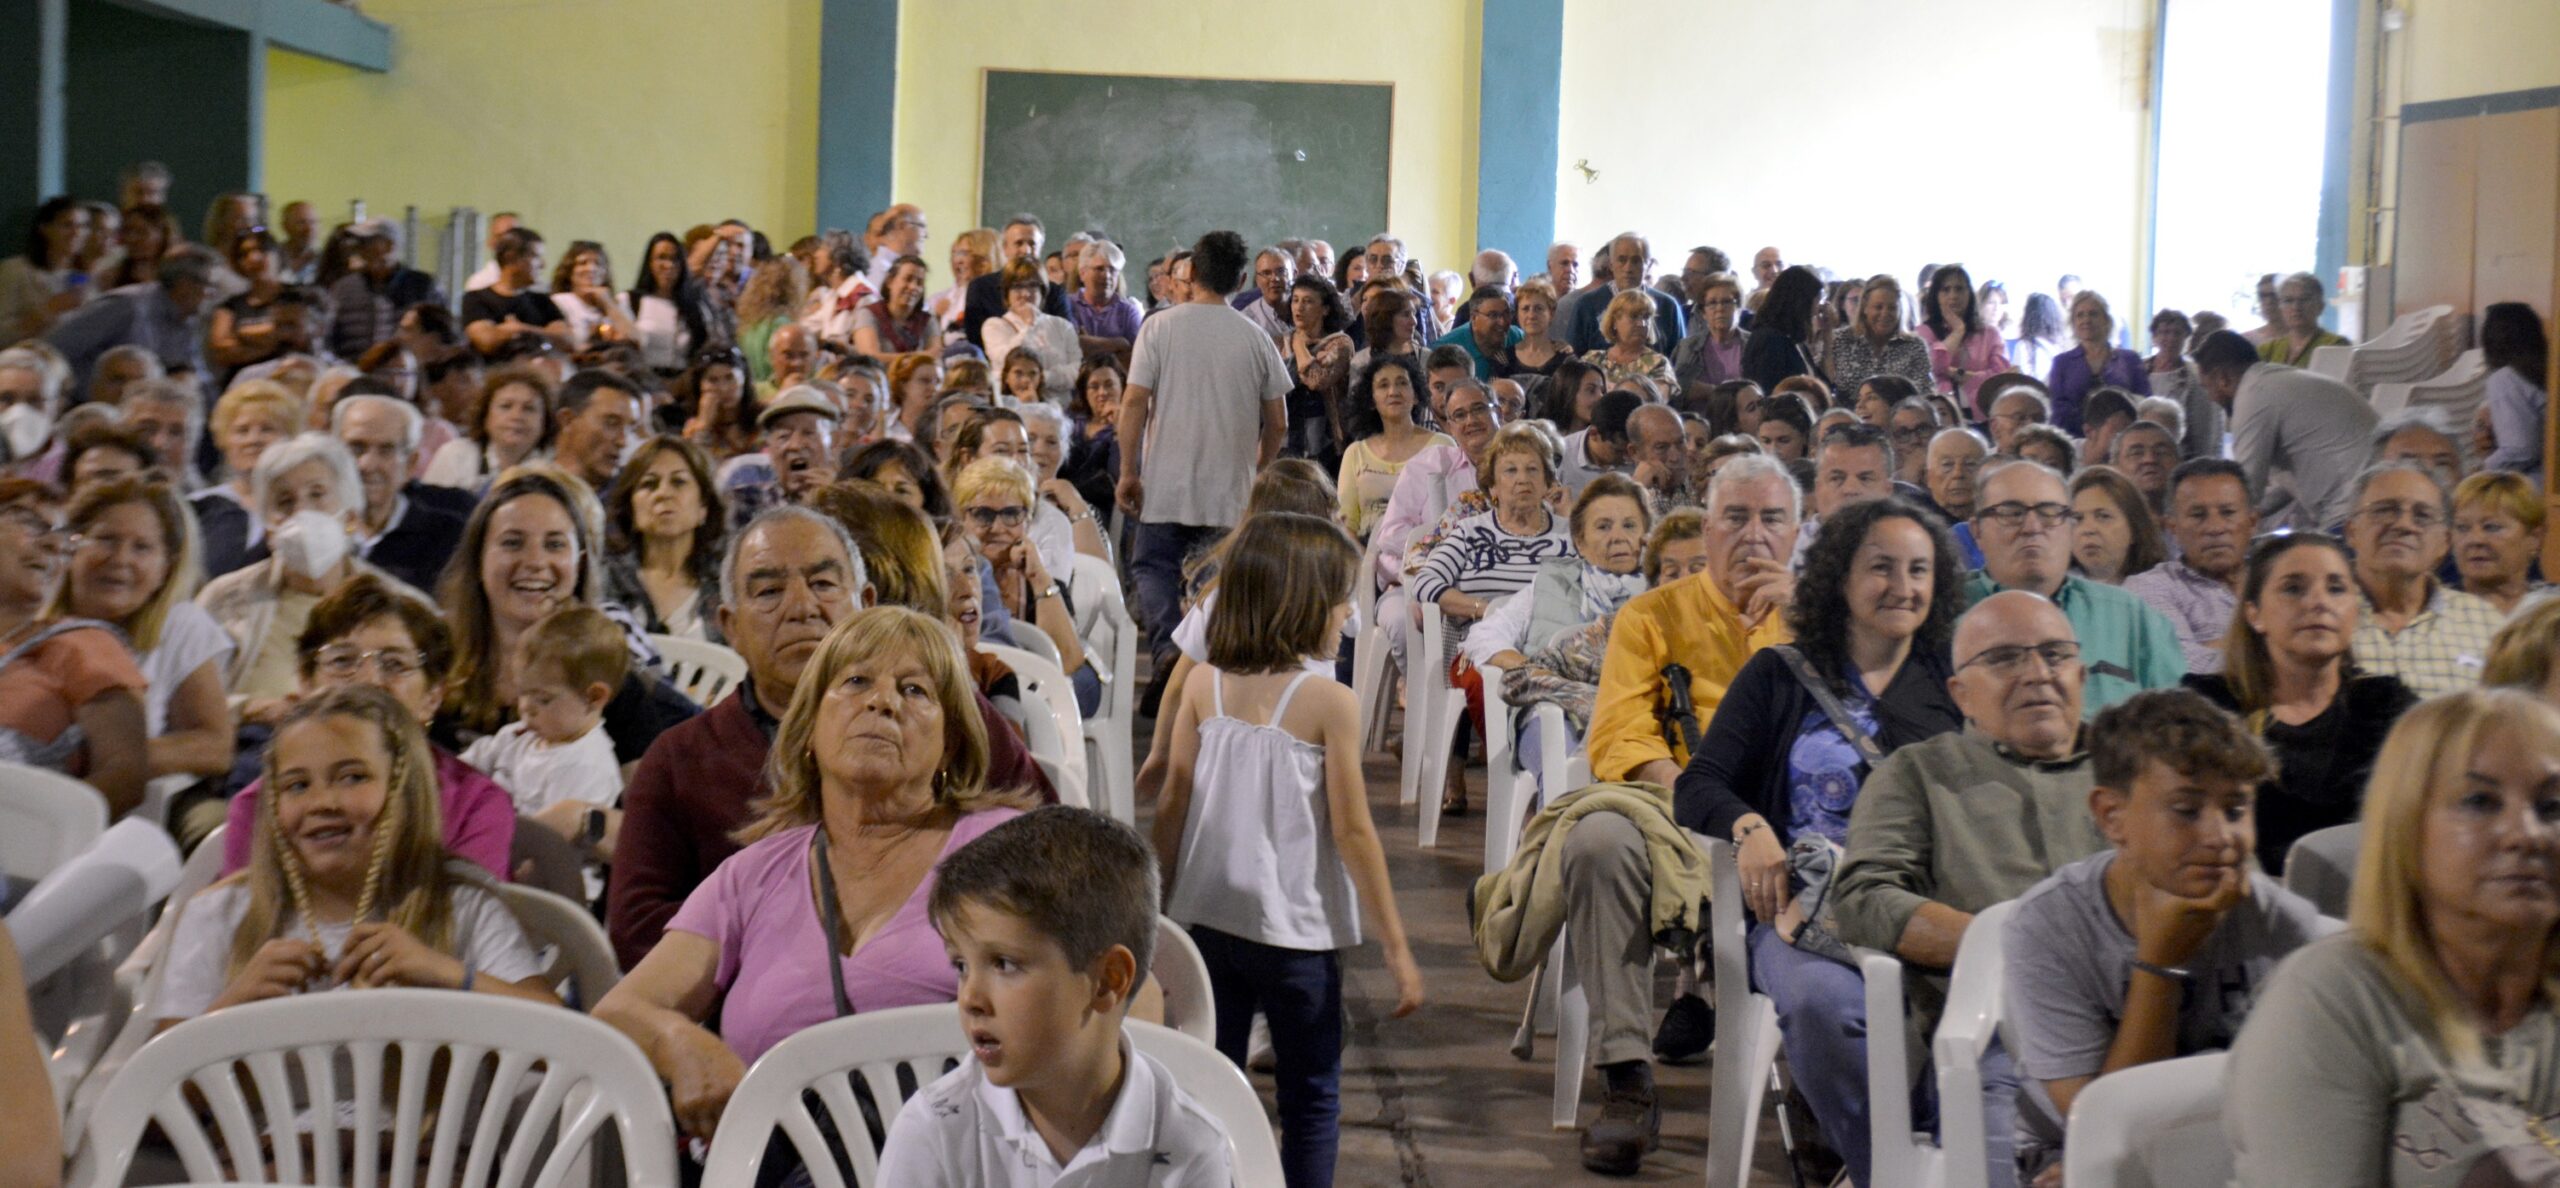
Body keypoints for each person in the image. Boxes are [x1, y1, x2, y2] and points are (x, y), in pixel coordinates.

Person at [596, 607, 1037, 1141]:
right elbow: (617, 1013)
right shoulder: (752, 875)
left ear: (950, 745)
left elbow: (1130, 990)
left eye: (915, 690)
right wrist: (677, 1040)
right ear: (807, 731)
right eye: (855, 681)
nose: (882, 701)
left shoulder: (1010, 851)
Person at [1673, 497, 1966, 1187]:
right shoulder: (1780, 675)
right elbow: (1701, 785)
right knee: (1819, 1007)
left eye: (1920, 569)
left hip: (1927, 909)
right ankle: (1884, 1170)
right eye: (1882, 568)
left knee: (1987, 1017)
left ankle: (1929, 1160)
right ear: (1838, 577)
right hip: (1807, 915)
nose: (1904, 586)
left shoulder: (1955, 685)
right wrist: (1750, 827)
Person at [1151, 513, 1423, 1187]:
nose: (1349, 613)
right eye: (1341, 598)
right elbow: (1353, 832)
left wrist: (1153, 921)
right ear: (1303, 605)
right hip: (1299, 939)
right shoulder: (1329, 701)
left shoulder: (1201, 683)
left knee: (1213, 1091)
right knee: (1311, 1098)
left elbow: (1171, 809)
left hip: (1208, 927)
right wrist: (1393, 943)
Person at [2225, 688, 2560, 1187]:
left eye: (2551, 805)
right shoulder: (2330, 999)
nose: (2526, 833)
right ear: (2406, 826)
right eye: (2479, 802)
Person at [1832, 591, 2111, 1188]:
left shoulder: (2134, 768)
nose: (2038, 674)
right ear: (1961, 693)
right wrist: (2011, 946)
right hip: (1996, 1041)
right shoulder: (1917, 774)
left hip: (2142, 1029)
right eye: (2007, 659)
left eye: (2055, 655)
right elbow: (1864, 899)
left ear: (2081, 674)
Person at [2001, 688, 2325, 1177]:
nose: (2220, 837)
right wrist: (2160, 962)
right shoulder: (2046, 929)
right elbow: (2104, 1125)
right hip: (2075, 1150)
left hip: (2236, 1145)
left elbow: (2306, 1099)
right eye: (2186, 809)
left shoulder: (2283, 926)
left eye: (2236, 809)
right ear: (2112, 817)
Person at [158, 686, 556, 1027]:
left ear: (404, 789)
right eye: (297, 785)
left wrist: (449, 975)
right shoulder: (219, 914)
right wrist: (233, 1008)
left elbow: (564, 1042)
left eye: (353, 777)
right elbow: (150, 1106)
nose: (322, 803)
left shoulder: (461, 904)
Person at [880, 807, 1235, 1185]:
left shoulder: (1189, 1148)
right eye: (961, 965)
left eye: (1004, 963)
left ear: (1107, 981)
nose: (969, 998)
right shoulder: (934, 1131)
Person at [2183, 531, 2418, 871]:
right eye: (2294, 588)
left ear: (2355, 610)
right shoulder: (2208, 707)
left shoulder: (2388, 707)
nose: (2318, 602)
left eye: (2336, 588)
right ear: (2254, 614)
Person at [1117, 231, 1291, 663]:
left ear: (1190, 272)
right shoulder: (1255, 338)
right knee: (1215, 583)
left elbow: (1135, 401)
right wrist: (1257, 469)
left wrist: (1128, 471)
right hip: (1228, 492)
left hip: (1164, 485)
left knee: (1153, 568)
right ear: (1243, 278)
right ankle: (1203, 667)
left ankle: (1164, 653)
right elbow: (1278, 423)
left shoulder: (1159, 327)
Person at [1590, 453, 1798, 786]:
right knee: (1598, 834)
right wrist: (1697, 797)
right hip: (1680, 804)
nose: (1754, 535)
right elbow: (1621, 736)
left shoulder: (1821, 618)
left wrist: (1804, 618)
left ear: (1795, 535)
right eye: (1736, 518)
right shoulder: (1649, 616)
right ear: (1708, 530)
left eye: (1772, 519)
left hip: (1807, 804)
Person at [198, 432, 432, 703]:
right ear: (268, 529)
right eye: (285, 501)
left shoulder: (403, 605)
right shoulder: (223, 599)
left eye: (317, 494)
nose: (301, 511)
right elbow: (191, 703)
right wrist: (249, 709)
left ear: (350, 518)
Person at [50, 476, 235, 784]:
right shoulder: (28, 615)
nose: (120, 559)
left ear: (165, 569)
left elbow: (215, 746)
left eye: (142, 548)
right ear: (71, 546)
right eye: (107, 539)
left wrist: (101, 760)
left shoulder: (180, 626)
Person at [1964, 459, 2184, 711]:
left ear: (2070, 526)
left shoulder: (2133, 618)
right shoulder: (1946, 613)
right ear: (1976, 531)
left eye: (2050, 513)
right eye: (2011, 513)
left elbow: (2175, 725)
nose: (2032, 528)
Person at [0, 476, 148, 814]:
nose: (54, 545)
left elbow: (125, 777)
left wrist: (39, 831)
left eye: (64, 537)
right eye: (34, 525)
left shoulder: (85, 645)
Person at [459, 605, 626, 857]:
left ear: (594, 697)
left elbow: (549, 846)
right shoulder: (518, 736)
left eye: (543, 699)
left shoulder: (587, 766)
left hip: (546, 881)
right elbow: (462, 770)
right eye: (523, 692)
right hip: (497, 853)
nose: (526, 707)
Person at [2339, 461, 2504, 700]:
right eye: (2385, 510)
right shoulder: (2321, 616)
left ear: (2444, 543)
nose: (2404, 525)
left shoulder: (2487, 625)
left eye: (2423, 516)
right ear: (2351, 531)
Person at [2197, 328, 2377, 530]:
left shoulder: (2252, 396)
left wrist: (2205, 520)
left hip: (2354, 512)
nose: (2211, 398)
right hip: (2367, 501)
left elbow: (2244, 491)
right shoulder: (2270, 381)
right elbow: (2280, 489)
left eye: (2206, 387)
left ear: (2222, 378)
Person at [2125, 459, 2257, 673]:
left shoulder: (2279, 579)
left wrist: (2218, 645)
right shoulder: (2150, 587)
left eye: (2228, 512)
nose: (2215, 528)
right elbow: (2181, 667)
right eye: (2198, 515)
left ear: (2253, 521)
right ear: (2173, 527)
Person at [331, 394, 469, 594]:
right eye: (356, 448)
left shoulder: (450, 537)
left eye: (386, 450)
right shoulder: (310, 526)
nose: (367, 464)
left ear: (411, 464)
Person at [602, 435, 727, 642]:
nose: (663, 493)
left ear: (703, 507)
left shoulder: (726, 588)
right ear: (630, 508)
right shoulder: (604, 582)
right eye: (649, 484)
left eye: (678, 482)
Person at [43, 246, 215, 394]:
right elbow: (50, 350)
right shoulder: (124, 306)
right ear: (185, 285)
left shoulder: (188, 320)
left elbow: (198, 376)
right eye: (209, 286)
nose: (212, 295)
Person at [1335, 354, 1453, 539]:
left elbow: (1454, 513)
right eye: (1383, 385)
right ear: (1372, 400)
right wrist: (1365, 565)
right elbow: (1346, 524)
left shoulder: (1442, 446)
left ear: (1415, 395)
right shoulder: (1355, 452)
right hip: (1363, 558)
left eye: (1402, 383)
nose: (1393, 391)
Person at [192, 380, 302, 578]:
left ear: (290, 438)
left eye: (267, 429)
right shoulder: (198, 505)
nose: (253, 440)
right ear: (224, 439)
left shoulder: (304, 505)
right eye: (242, 431)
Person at [421, 364, 555, 494]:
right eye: (506, 406)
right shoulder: (456, 455)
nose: (517, 416)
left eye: (529, 408)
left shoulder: (554, 468)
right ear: (485, 416)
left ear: (545, 421)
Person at [2043, 291, 2149, 436]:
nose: (2086, 319)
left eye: (2093, 314)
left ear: (2106, 320)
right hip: (2075, 441)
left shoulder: (2130, 360)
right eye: (2080, 315)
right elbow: (2057, 410)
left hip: (2124, 438)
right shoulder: (2062, 363)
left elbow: (2145, 404)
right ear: (2073, 323)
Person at [962, 215, 1072, 349]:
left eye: (1032, 244)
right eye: (1019, 243)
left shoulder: (1054, 291)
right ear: (1005, 248)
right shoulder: (981, 288)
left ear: (1041, 247)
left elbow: (1066, 339)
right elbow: (975, 341)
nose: (1026, 250)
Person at [1564, 233, 1684, 356]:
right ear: (1611, 264)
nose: (1628, 268)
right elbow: (1573, 359)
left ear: (1647, 265)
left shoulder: (1668, 306)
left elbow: (1679, 359)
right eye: (1622, 260)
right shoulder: (1587, 305)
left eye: (1636, 261)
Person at [981, 261, 1081, 406]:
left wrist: (1043, 377)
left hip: (1059, 413)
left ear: (1042, 291)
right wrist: (1028, 326)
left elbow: (1077, 370)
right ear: (1007, 292)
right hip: (1012, 411)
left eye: (1032, 286)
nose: (1025, 294)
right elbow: (1004, 362)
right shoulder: (994, 325)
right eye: (1017, 287)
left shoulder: (1062, 326)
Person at [1918, 264, 2010, 413]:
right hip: (1941, 415)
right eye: (1946, 290)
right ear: (1936, 296)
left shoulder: (1990, 334)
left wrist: (1957, 373)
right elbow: (1933, 367)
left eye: (1959, 289)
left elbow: (1999, 377)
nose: (1953, 296)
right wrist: (1958, 331)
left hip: (1984, 413)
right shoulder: (1924, 332)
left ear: (1969, 294)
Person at [0, 195, 94, 340]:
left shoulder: (88, 276)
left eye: (83, 226)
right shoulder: (15, 270)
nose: (76, 233)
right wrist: (47, 311)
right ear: (45, 228)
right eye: (67, 225)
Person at [1824, 274, 1932, 397]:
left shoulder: (1915, 346)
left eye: (1892, 308)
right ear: (1865, 308)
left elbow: (1925, 393)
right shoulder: (1840, 340)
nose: (1885, 314)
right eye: (1878, 307)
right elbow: (1826, 384)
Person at [2452, 471, 2543, 616]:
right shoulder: (2432, 610)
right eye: (2462, 527)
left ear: (2534, 538)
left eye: (2491, 527)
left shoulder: (2552, 609)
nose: (2475, 540)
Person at [2478, 301, 2550, 483]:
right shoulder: (2547, 369)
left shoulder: (2506, 378)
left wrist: (2482, 471)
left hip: (2536, 484)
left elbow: (2520, 451)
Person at [548, 370, 646, 495]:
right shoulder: (525, 492)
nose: (623, 441)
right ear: (567, 420)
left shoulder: (631, 503)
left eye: (630, 429)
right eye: (611, 423)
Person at [2067, 465, 2167, 585]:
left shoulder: (2161, 587)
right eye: (2077, 519)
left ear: (2134, 529)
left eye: (2103, 516)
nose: (2088, 529)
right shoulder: (2052, 590)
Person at [2145, 308, 2221, 460]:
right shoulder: (2140, 369)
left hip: (2180, 455)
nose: (2171, 338)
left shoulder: (2197, 375)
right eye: (2165, 332)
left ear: (2187, 338)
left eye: (2177, 333)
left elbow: (2206, 428)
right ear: (2154, 337)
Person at [627, 231, 708, 373]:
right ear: (650, 263)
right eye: (661, 258)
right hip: (643, 379)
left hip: (682, 382)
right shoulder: (632, 301)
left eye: (675, 259)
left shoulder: (692, 307)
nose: (668, 265)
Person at [546, 239, 642, 353]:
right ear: (569, 272)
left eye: (598, 263)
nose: (591, 269)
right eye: (583, 263)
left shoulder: (618, 302)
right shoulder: (560, 302)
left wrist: (607, 303)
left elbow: (637, 341)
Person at [1742, 265, 1822, 391]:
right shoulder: (1769, 340)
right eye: (1816, 299)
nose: (1818, 308)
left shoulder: (1792, 338)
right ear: (1801, 301)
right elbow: (1768, 389)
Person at [2255, 271, 2351, 367]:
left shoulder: (2335, 345)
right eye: (2288, 300)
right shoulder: (2268, 350)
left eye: (2304, 300)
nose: (2296, 307)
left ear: (2320, 306)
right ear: (2280, 307)